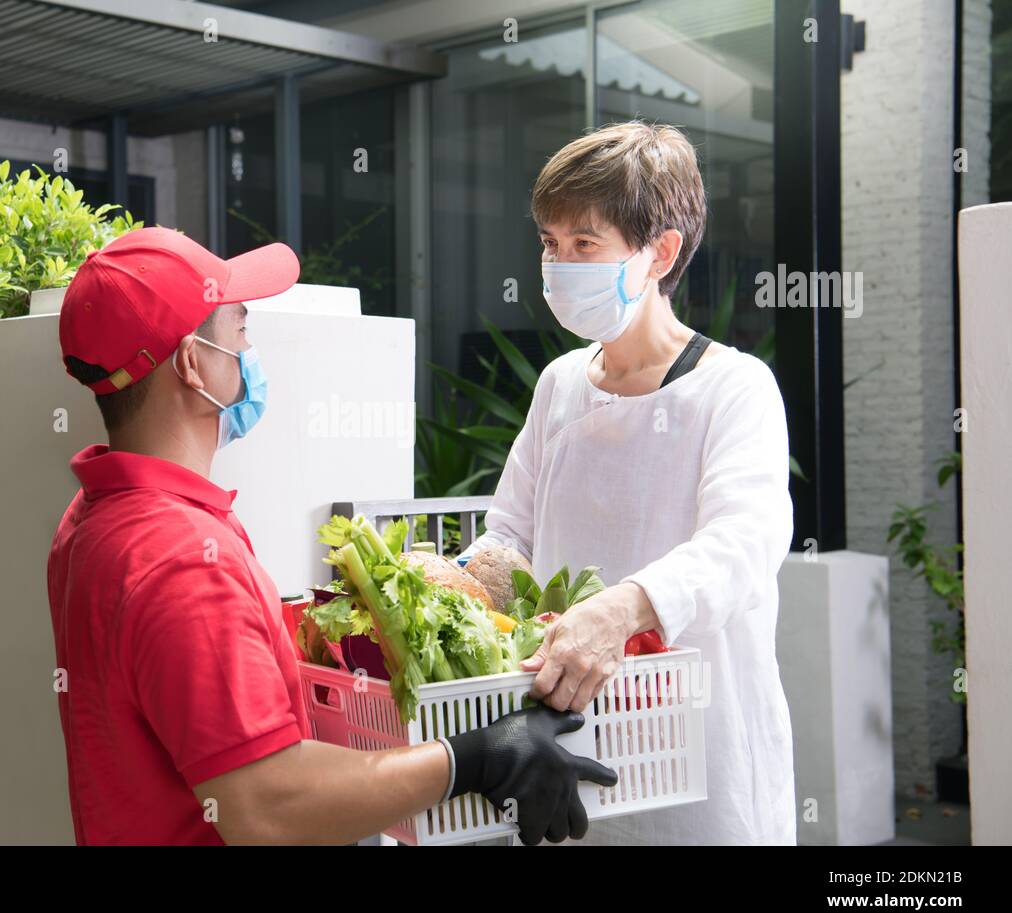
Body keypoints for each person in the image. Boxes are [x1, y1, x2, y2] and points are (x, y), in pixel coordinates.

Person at [45, 226, 617, 845]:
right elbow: (268, 807)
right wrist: (471, 757)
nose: (249, 346)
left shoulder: (90, 518)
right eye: (239, 328)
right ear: (190, 363)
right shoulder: (182, 560)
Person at [459, 122, 797, 845]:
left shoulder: (734, 387)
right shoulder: (560, 384)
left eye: (585, 243)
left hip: (701, 769)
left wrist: (622, 611)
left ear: (660, 252)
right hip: (568, 751)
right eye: (550, 243)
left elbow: (744, 541)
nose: (558, 263)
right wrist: (450, 585)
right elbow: (509, 535)